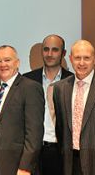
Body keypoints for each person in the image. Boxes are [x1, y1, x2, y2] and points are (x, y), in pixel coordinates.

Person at [53, 39, 95, 175]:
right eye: (77, 58)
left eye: (86, 58)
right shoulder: (60, 88)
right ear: (70, 59)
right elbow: (60, 128)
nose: (81, 63)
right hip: (70, 163)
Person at [0, 45, 43, 175]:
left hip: (18, 167)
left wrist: (25, 167)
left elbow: (34, 133)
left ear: (17, 62)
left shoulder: (30, 88)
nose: (3, 64)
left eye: (7, 60)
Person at [23, 34, 73, 175]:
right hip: (32, 152)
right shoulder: (27, 79)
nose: (49, 54)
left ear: (63, 53)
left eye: (55, 50)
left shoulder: (72, 81)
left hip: (61, 152)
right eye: (46, 49)